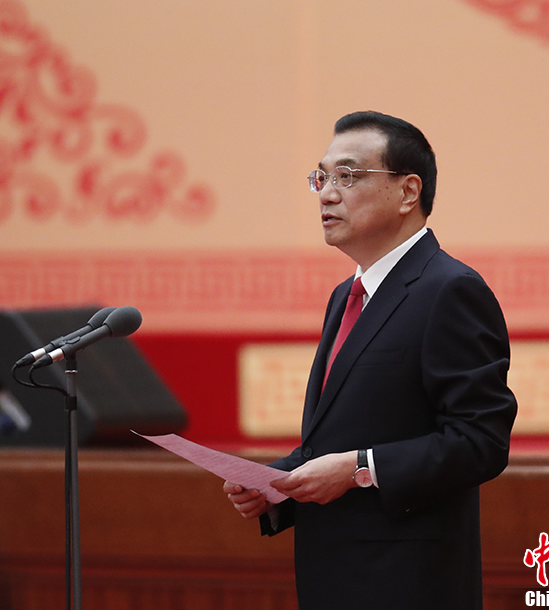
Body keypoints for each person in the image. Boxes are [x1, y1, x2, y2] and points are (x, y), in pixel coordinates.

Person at [224, 111, 517, 609]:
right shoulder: (346, 295)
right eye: (321, 178)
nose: (326, 194)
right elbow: (343, 436)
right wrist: (278, 482)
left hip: (407, 584)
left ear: (407, 192)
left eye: (348, 176)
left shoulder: (450, 290)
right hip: (335, 578)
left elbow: (480, 442)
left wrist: (360, 468)